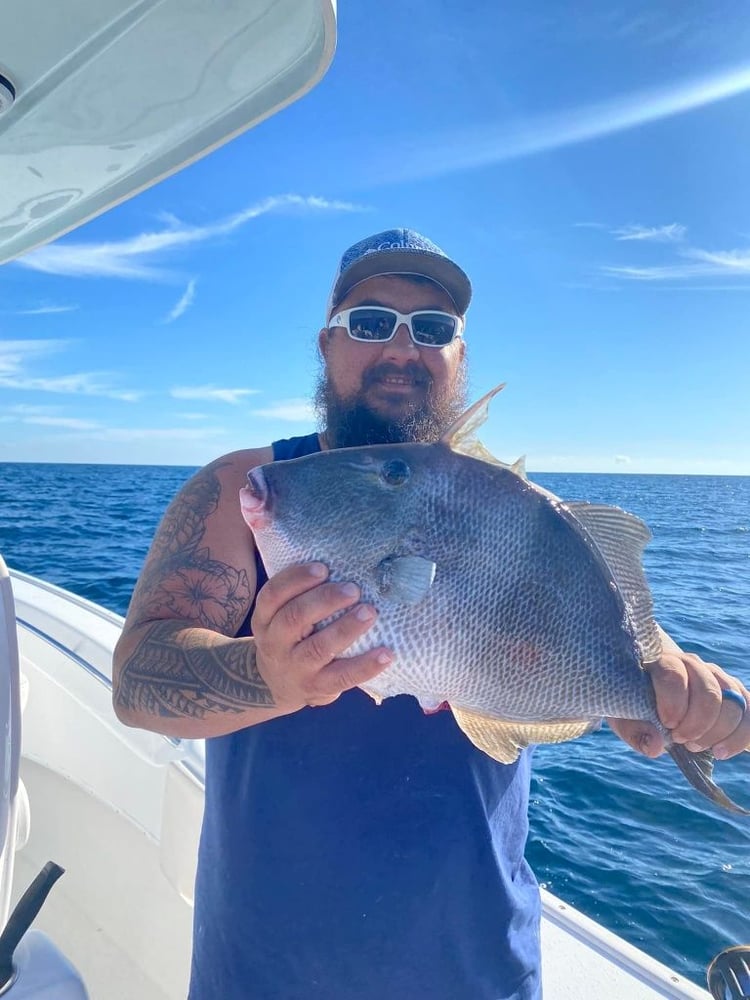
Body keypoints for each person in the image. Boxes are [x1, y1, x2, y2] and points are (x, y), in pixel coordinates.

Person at [112, 228, 750, 1000]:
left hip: (481, 971)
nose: (402, 347)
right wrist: (269, 672)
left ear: (459, 357)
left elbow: (625, 647)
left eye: (434, 328)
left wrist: (689, 695)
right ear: (328, 344)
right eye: (372, 321)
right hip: (267, 974)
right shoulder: (249, 491)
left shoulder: (519, 513)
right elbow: (138, 682)